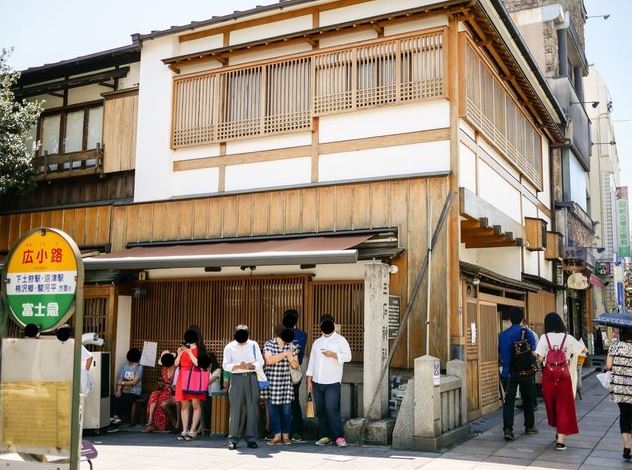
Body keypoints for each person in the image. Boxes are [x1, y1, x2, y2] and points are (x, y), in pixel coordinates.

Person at [535, 312, 587, 451]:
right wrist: (569, 355)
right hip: (564, 376)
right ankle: (560, 440)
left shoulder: (544, 338)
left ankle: (558, 433)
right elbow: (584, 350)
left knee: (551, 406)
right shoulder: (568, 338)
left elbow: (540, 359)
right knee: (564, 407)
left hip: (549, 376)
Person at [306, 314, 352, 447]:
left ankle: (338, 437)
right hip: (317, 381)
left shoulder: (340, 340)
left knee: (332, 409)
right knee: (321, 410)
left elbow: (348, 356)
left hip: (332, 381)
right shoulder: (317, 342)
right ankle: (325, 436)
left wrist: (333, 354)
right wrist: (309, 381)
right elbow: (312, 362)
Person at [498, 307, 538, 441]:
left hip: (508, 372)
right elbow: (533, 349)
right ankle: (529, 426)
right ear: (522, 318)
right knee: (528, 398)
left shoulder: (503, 335)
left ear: (509, 319)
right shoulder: (526, 332)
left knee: (509, 401)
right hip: (525, 371)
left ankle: (508, 429)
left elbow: (501, 353)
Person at [223, 324, 264, 450]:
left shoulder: (253, 344)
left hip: (252, 377)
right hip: (236, 379)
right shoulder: (229, 346)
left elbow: (260, 361)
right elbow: (225, 365)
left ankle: (251, 438)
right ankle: (233, 439)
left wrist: (250, 366)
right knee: (235, 409)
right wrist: (238, 366)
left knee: (252, 409)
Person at [262, 325, 300, 445]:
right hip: (272, 382)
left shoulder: (292, 345)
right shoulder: (269, 344)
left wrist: (290, 358)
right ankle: (277, 436)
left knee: (287, 412)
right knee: (273, 412)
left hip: (286, 383)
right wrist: (285, 354)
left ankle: (286, 436)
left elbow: (295, 365)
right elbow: (269, 360)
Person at [175, 329, 206, 441]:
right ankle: (184, 430)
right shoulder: (184, 348)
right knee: (184, 405)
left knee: (195, 405)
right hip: (183, 377)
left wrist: (189, 352)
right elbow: (176, 364)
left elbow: (198, 363)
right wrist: (179, 354)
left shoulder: (200, 349)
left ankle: (192, 431)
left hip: (193, 377)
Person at [605, 327, 632, 461]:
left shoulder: (615, 346)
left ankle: (627, 447)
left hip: (620, 387)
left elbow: (609, 366)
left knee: (624, 415)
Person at [282, 309, 307, 441]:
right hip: (278, 372)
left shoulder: (301, 335)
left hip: (293, 372)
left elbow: (297, 353)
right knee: (279, 402)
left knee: (293, 401)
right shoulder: (279, 333)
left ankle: (297, 431)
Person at [109, 348, 144, 432]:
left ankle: (115, 423)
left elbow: (134, 382)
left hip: (134, 391)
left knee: (122, 401)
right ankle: (115, 420)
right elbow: (119, 379)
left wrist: (122, 383)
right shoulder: (125, 366)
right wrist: (118, 390)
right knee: (114, 398)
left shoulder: (140, 367)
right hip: (123, 390)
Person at [144, 351, 177, 432]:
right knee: (154, 394)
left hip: (172, 392)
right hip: (164, 390)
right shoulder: (164, 369)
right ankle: (151, 420)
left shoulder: (177, 369)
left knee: (159, 401)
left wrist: (169, 385)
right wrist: (162, 383)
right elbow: (163, 382)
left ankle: (157, 424)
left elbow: (175, 385)